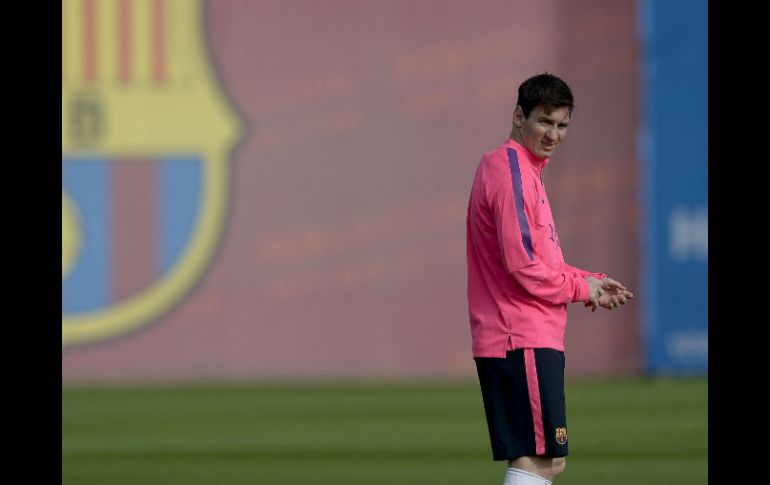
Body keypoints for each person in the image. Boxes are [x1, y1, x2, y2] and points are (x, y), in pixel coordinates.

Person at [466, 72, 634, 485]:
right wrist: (580, 287)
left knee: (546, 460)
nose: (553, 134)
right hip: (519, 335)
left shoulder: (525, 170)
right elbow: (523, 265)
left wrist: (592, 281)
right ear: (518, 116)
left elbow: (540, 260)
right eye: (544, 121)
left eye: (562, 125)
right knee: (537, 460)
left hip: (528, 335)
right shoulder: (509, 170)